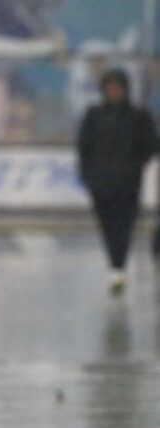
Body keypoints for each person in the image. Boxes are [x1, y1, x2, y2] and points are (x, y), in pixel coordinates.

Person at [78, 68, 156, 295]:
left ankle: (118, 267)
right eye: (109, 87)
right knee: (107, 225)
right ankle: (115, 264)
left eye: (117, 87)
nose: (113, 92)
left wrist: (135, 164)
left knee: (124, 225)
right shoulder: (94, 115)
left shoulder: (138, 116)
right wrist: (88, 174)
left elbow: (150, 144)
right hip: (101, 183)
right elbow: (84, 147)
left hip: (128, 182)